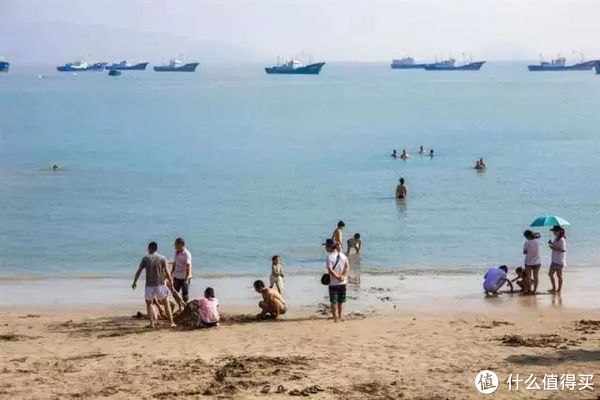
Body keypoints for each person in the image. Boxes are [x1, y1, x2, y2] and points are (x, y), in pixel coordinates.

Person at [132, 242, 176, 328]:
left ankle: (151, 323)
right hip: (160, 284)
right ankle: (171, 322)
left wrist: (134, 282)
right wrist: (171, 282)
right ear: (156, 249)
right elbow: (167, 272)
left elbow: (139, 271)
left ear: (149, 248)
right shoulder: (162, 258)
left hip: (149, 285)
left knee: (149, 304)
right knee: (166, 302)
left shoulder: (145, 258)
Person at [324, 238, 350, 322]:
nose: (325, 248)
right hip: (343, 282)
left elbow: (330, 270)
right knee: (340, 301)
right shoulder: (343, 255)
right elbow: (347, 266)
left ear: (330, 247)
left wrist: (337, 277)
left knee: (333, 301)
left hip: (333, 283)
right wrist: (343, 276)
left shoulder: (329, 257)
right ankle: (340, 315)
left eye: (326, 246)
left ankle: (335, 316)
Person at [171, 237, 192, 303]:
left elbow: (188, 266)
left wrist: (186, 279)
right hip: (177, 276)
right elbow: (175, 263)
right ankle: (181, 306)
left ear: (180, 245)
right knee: (174, 293)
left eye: (176, 244)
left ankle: (185, 308)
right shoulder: (176, 252)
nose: (175, 246)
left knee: (185, 295)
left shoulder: (187, 254)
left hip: (184, 277)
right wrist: (171, 272)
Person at [548, 225, 567, 293]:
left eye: (554, 231)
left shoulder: (562, 239)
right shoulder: (556, 238)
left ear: (559, 231)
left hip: (559, 261)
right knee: (550, 274)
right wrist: (551, 244)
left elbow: (563, 250)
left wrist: (553, 248)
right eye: (553, 231)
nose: (553, 232)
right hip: (554, 260)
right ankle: (554, 288)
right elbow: (554, 246)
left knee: (559, 276)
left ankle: (559, 289)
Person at [523, 230, 541, 294]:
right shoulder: (538, 242)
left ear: (527, 236)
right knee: (536, 277)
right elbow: (538, 235)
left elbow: (524, 252)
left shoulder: (527, 243)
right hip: (537, 262)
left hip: (528, 262)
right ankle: (535, 290)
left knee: (529, 277)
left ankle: (529, 291)